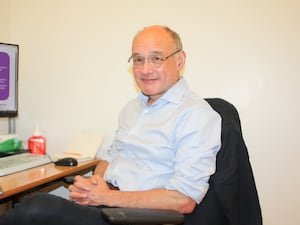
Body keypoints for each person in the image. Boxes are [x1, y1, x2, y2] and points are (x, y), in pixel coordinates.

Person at [0, 25, 221, 225]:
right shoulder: (132, 109)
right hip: (108, 202)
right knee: (35, 208)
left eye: (156, 58)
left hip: (137, 217)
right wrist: (94, 183)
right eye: (137, 59)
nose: (145, 69)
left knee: (38, 208)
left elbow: (183, 200)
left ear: (179, 61)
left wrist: (106, 197)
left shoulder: (196, 115)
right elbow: (111, 156)